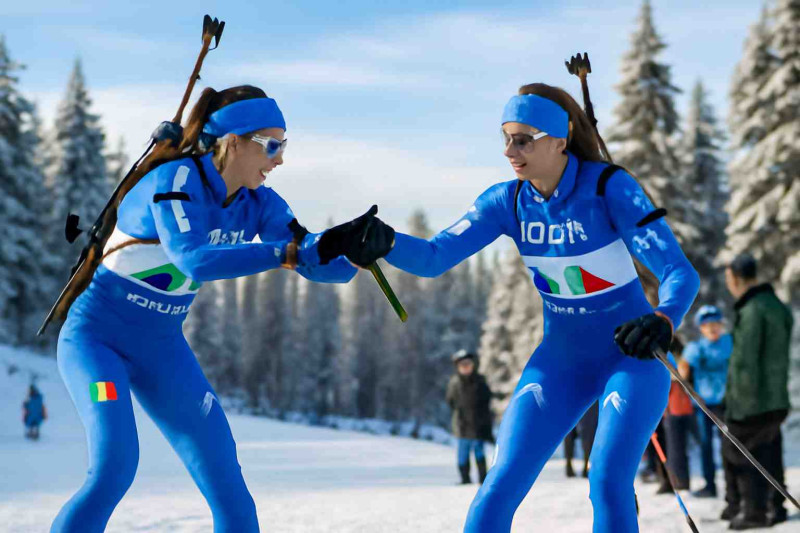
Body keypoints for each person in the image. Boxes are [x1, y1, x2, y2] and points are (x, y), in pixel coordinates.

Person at [358, 84, 700, 532]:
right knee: (500, 482)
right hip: (560, 362)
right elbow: (433, 256)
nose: (509, 151)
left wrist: (662, 318)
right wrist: (385, 240)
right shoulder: (508, 201)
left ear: (559, 140)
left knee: (608, 480)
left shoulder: (607, 187)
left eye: (523, 139)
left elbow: (679, 271)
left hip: (631, 359)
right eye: (505, 138)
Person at [51, 85, 390, 533]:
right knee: (114, 469)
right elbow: (195, 259)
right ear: (233, 141)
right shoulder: (175, 181)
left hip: (162, 351)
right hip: (96, 342)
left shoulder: (259, 202)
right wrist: (289, 253)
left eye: (283, 146)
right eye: (272, 145)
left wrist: (346, 251)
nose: (280, 159)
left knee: (229, 487)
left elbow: (310, 258)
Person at [721, 253, 793, 530]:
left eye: (728, 278)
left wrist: (736, 406)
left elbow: (744, 362)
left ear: (736, 278)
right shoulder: (775, 304)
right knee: (770, 450)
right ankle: (777, 506)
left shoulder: (751, 310)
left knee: (743, 454)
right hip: (776, 396)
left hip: (753, 401)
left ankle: (754, 512)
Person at [683, 304, 731, 498]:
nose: (712, 328)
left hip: (726, 402)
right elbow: (683, 369)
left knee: (730, 446)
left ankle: (732, 487)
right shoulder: (696, 348)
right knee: (706, 446)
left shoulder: (729, 342)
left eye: (715, 323)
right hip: (703, 405)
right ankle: (709, 485)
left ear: (721, 324)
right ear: (701, 328)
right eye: (707, 324)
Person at [446, 350, 494, 484]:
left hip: (478, 424)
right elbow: (450, 401)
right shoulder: (454, 383)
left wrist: (485, 423)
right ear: (458, 367)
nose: (466, 367)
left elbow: (486, 401)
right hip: (461, 425)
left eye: (468, 364)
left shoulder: (480, 381)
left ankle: (482, 479)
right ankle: (465, 478)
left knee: (479, 452)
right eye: (462, 365)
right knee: (463, 454)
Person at [660, 337, 695, 493]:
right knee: (668, 445)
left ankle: (679, 481)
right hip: (666, 406)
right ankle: (669, 480)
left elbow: (682, 373)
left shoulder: (680, 352)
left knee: (676, 446)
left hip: (678, 406)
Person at [563, 401, 598, 478]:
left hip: (570, 400)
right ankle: (585, 466)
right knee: (588, 433)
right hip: (589, 401)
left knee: (568, 432)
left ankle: (569, 464)